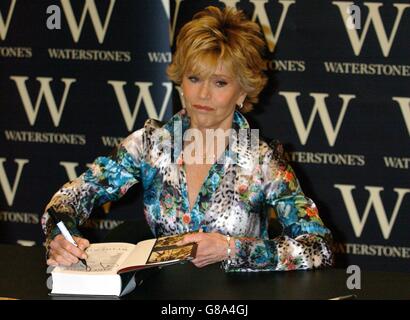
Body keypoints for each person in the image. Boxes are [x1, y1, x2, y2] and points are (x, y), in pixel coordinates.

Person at [42, 6, 333, 272]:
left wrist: (230, 249)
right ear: (181, 81)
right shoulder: (149, 144)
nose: (203, 95)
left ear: (242, 92)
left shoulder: (262, 159)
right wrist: (60, 235)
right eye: (194, 78)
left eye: (220, 82)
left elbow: (319, 248)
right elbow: (68, 199)